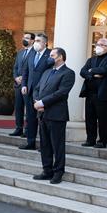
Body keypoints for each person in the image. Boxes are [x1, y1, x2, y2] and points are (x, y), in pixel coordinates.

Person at [32, 48, 75, 184]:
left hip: (57, 114)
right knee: (45, 145)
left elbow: (61, 93)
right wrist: (37, 101)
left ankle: (58, 172)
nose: (49, 57)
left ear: (60, 57)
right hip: (42, 113)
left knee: (57, 145)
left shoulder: (68, 73)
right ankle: (47, 170)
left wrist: (43, 102)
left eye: (52, 55)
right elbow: (37, 88)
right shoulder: (46, 72)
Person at [79, 38, 107, 148]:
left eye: (102, 45)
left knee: (103, 120)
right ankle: (90, 139)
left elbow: (105, 71)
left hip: (103, 95)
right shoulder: (91, 60)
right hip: (90, 93)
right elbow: (83, 71)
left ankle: (102, 141)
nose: (98, 46)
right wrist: (92, 74)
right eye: (97, 44)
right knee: (90, 118)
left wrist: (91, 70)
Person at [20, 33, 52, 150]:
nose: (35, 43)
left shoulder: (50, 55)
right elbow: (26, 71)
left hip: (43, 92)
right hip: (30, 90)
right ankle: (30, 142)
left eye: (38, 41)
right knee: (30, 118)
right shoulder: (32, 53)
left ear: (45, 43)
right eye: (35, 41)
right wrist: (24, 84)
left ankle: (45, 145)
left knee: (43, 120)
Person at [10, 32, 35, 137]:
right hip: (18, 84)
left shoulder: (34, 53)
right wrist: (16, 77)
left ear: (32, 41)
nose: (24, 39)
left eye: (27, 38)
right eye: (24, 37)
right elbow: (15, 67)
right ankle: (18, 128)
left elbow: (33, 70)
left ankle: (28, 129)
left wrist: (24, 79)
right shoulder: (20, 53)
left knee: (29, 108)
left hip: (28, 84)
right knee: (18, 107)